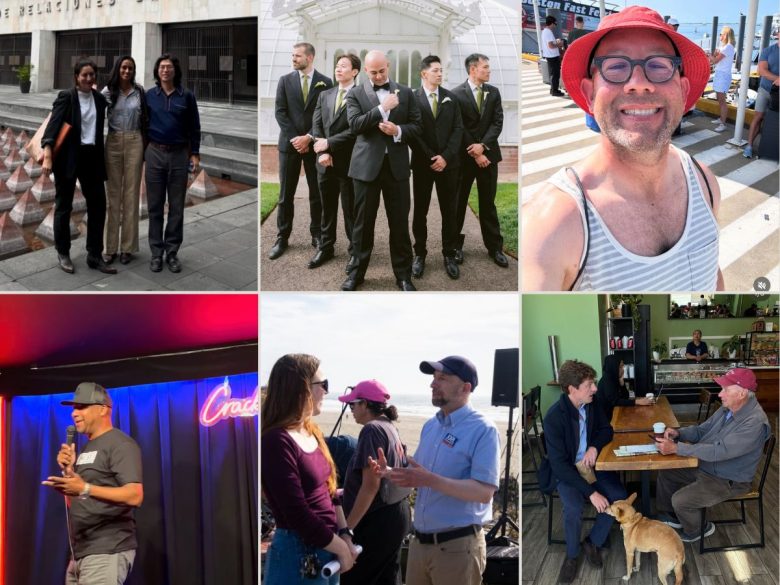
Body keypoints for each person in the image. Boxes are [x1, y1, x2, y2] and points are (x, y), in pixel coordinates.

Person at [522, 6, 723, 291]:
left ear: (684, 90)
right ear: (590, 95)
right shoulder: (551, 226)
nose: (638, 84)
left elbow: (713, 276)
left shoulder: (705, 184)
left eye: (659, 65)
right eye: (615, 66)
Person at [371, 356, 500, 585]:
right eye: (433, 378)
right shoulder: (431, 426)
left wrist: (431, 480)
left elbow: (484, 493)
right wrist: (390, 472)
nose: (433, 384)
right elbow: (417, 474)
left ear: (466, 387)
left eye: (443, 378)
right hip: (419, 545)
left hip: (457, 549)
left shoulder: (483, 429)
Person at [261, 354, 359, 584]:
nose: (326, 391)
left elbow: (331, 493)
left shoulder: (312, 431)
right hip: (298, 553)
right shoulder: (276, 440)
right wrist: (341, 548)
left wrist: (345, 534)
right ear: (300, 388)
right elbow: (296, 512)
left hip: (326, 547)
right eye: (322, 385)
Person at [41, 382, 143, 585]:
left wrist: (85, 488)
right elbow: (77, 502)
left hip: (106, 549)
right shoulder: (86, 448)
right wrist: (69, 472)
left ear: (103, 409)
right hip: (81, 554)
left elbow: (135, 495)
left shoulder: (120, 444)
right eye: (74, 408)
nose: (74, 413)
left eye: (82, 407)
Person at [655, 368, 770, 542]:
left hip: (729, 480)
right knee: (667, 471)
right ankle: (673, 517)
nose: (720, 394)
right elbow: (702, 430)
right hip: (708, 467)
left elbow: (719, 451)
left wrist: (677, 449)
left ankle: (699, 529)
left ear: (741, 393)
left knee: (680, 500)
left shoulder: (754, 423)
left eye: (726, 389)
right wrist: (680, 434)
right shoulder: (728, 409)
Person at [539, 360, 627, 583]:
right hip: (568, 473)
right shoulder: (553, 418)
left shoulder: (592, 403)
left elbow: (607, 429)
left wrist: (594, 447)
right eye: (590, 384)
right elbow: (560, 466)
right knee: (573, 507)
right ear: (572, 389)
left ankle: (593, 542)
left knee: (618, 497)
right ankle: (571, 556)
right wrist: (591, 493)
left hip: (592, 466)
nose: (595, 389)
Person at [342, 50, 421, 292]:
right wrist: (382, 109)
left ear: (389, 66)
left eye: (382, 71)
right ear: (365, 70)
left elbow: (417, 126)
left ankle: (404, 276)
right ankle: (356, 274)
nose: (378, 76)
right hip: (366, 169)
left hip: (396, 169)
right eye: (373, 72)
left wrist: (398, 130)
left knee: (399, 225)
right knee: (362, 226)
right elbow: (355, 125)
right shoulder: (354, 93)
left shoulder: (407, 92)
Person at [41, 59, 116, 276]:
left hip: (92, 157)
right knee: (64, 206)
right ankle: (63, 252)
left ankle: (94, 254)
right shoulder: (67, 97)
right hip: (68, 158)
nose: (88, 78)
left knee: (98, 206)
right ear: (76, 77)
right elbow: (53, 125)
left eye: (92, 74)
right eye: (84, 75)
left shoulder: (99, 99)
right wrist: (47, 154)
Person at [338, 380, 411, 585]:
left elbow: (371, 485)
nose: (351, 410)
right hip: (396, 513)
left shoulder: (371, 429)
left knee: (356, 578)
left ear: (365, 404)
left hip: (376, 520)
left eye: (353, 405)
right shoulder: (389, 426)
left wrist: (347, 529)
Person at [270, 43, 332, 260]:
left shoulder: (326, 82)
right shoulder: (285, 81)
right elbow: (280, 112)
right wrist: (296, 139)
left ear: (310, 57)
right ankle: (282, 237)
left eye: (297, 56)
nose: (293, 59)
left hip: (314, 145)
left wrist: (309, 137)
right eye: (292, 55)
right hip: (289, 146)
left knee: (317, 194)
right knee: (285, 194)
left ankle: (316, 235)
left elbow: (326, 116)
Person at [144, 53, 201, 274]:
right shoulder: (149, 95)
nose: (165, 70)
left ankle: (172, 252)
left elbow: (194, 127)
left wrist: (194, 153)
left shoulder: (186, 96)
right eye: (161, 67)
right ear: (157, 72)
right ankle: (156, 253)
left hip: (179, 155)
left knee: (176, 207)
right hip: (155, 153)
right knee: (154, 207)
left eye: (168, 67)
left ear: (175, 70)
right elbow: (142, 125)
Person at [409, 55, 463, 280]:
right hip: (423, 165)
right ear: (424, 74)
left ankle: (449, 254)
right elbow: (413, 132)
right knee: (420, 211)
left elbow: (458, 130)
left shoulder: (451, 98)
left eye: (441, 70)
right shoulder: (412, 99)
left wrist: (446, 157)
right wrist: (432, 157)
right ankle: (419, 254)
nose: (440, 74)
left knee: (449, 211)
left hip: (449, 166)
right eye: (435, 70)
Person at [452, 53, 507, 268]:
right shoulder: (456, 94)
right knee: (458, 204)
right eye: (485, 67)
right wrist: (475, 152)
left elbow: (497, 122)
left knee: (488, 203)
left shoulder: (493, 93)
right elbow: (459, 127)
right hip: (464, 159)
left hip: (489, 157)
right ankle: (455, 246)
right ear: (473, 69)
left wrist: (483, 147)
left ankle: (494, 247)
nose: (489, 70)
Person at [309, 53, 359, 271]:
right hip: (324, 161)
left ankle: (355, 252)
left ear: (355, 71)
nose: (338, 69)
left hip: (349, 162)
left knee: (351, 211)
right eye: (337, 66)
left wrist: (329, 144)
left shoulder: (361, 96)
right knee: (326, 208)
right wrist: (322, 152)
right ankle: (326, 246)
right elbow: (317, 124)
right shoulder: (325, 95)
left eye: (344, 66)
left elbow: (356, 130)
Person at [101, 55, 147, 266]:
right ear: (117, 68)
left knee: (131, 194)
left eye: (130, 68)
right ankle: (109, 247)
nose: (127, 71)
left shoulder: (139, 92)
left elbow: (146, 117)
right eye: (123, 67)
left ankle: (127, 247)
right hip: (113, 140)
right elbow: (92, 113)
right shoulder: (108, 92)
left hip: (135, 139)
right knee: (112, 196)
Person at [744, 28, 779, 158]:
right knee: (758, 118)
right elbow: (762, 71)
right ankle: (749, 146)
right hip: (765, 90)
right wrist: (777, 79)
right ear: (777, 34)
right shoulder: (768, 51)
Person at [595, 354, 652, 422]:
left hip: (613, 414)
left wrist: (622, 384)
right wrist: (637, 402)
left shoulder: (614, 378)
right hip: (605, 419)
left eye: (623, 366)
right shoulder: (607, 381)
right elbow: (615, 401)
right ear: (614, 367)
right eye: (620, 367)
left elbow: (626, 396)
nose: (623, 370)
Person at [710, 26, 736, 133]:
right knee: (719, 98)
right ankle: (721, 119)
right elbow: (716, 59)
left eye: (721, 34)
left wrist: (709, 55)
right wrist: (714, 56)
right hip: (720, 74)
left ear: (725, 35)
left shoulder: (728, 47)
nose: (720, 36)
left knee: (722, 100)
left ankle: (723, 123)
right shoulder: (724, 47)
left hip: (723, 75)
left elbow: (714, 61)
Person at [542, 16, 565, 97]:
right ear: (551, 23)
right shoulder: (548, 32)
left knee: (554, 74)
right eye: (555, 23)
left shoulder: (545, 31)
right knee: (555, 74)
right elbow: (551, 45)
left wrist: (556, 41)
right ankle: (554, 91)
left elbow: (550, 44)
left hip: (550, 56)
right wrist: (559, 44)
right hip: (552, 56)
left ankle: (553, 89)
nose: (555, 25)